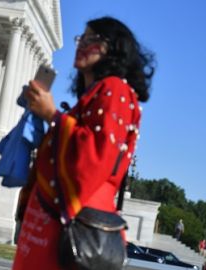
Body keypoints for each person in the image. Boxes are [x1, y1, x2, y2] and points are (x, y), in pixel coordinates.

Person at [12, 16, 155, 269]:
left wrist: (52, 116)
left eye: (92, 40)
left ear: (113, 48)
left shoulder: (116, 89)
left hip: (73, 222)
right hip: (51, 219)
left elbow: (95, 156)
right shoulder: (94, 94)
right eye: (81, 38)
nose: (81, 45)